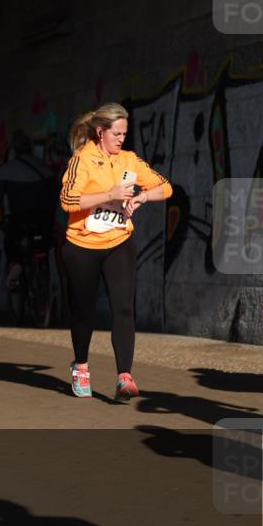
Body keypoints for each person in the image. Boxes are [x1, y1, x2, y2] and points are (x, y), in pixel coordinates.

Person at [59, 103, 171, 399]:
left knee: (123, 308)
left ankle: (124, 376)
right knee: (84, 311)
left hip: (119, 242)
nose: (121, 139)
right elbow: (68, 200)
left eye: (124, 134)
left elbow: (166, 187)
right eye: (116, 134)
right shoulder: (82, 160)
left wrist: (142, 197)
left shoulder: (129, 161)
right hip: (82, 245)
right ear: (100, 132)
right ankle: (81, 365)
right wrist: (109, 195)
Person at [0, 129, 57, 290]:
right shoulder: (45, 169)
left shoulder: (7, 170)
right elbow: (56, 196)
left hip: (20, 220)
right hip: (44, 219)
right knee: (47, 247)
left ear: (14, 149)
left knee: (11, 242)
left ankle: (15, 266)